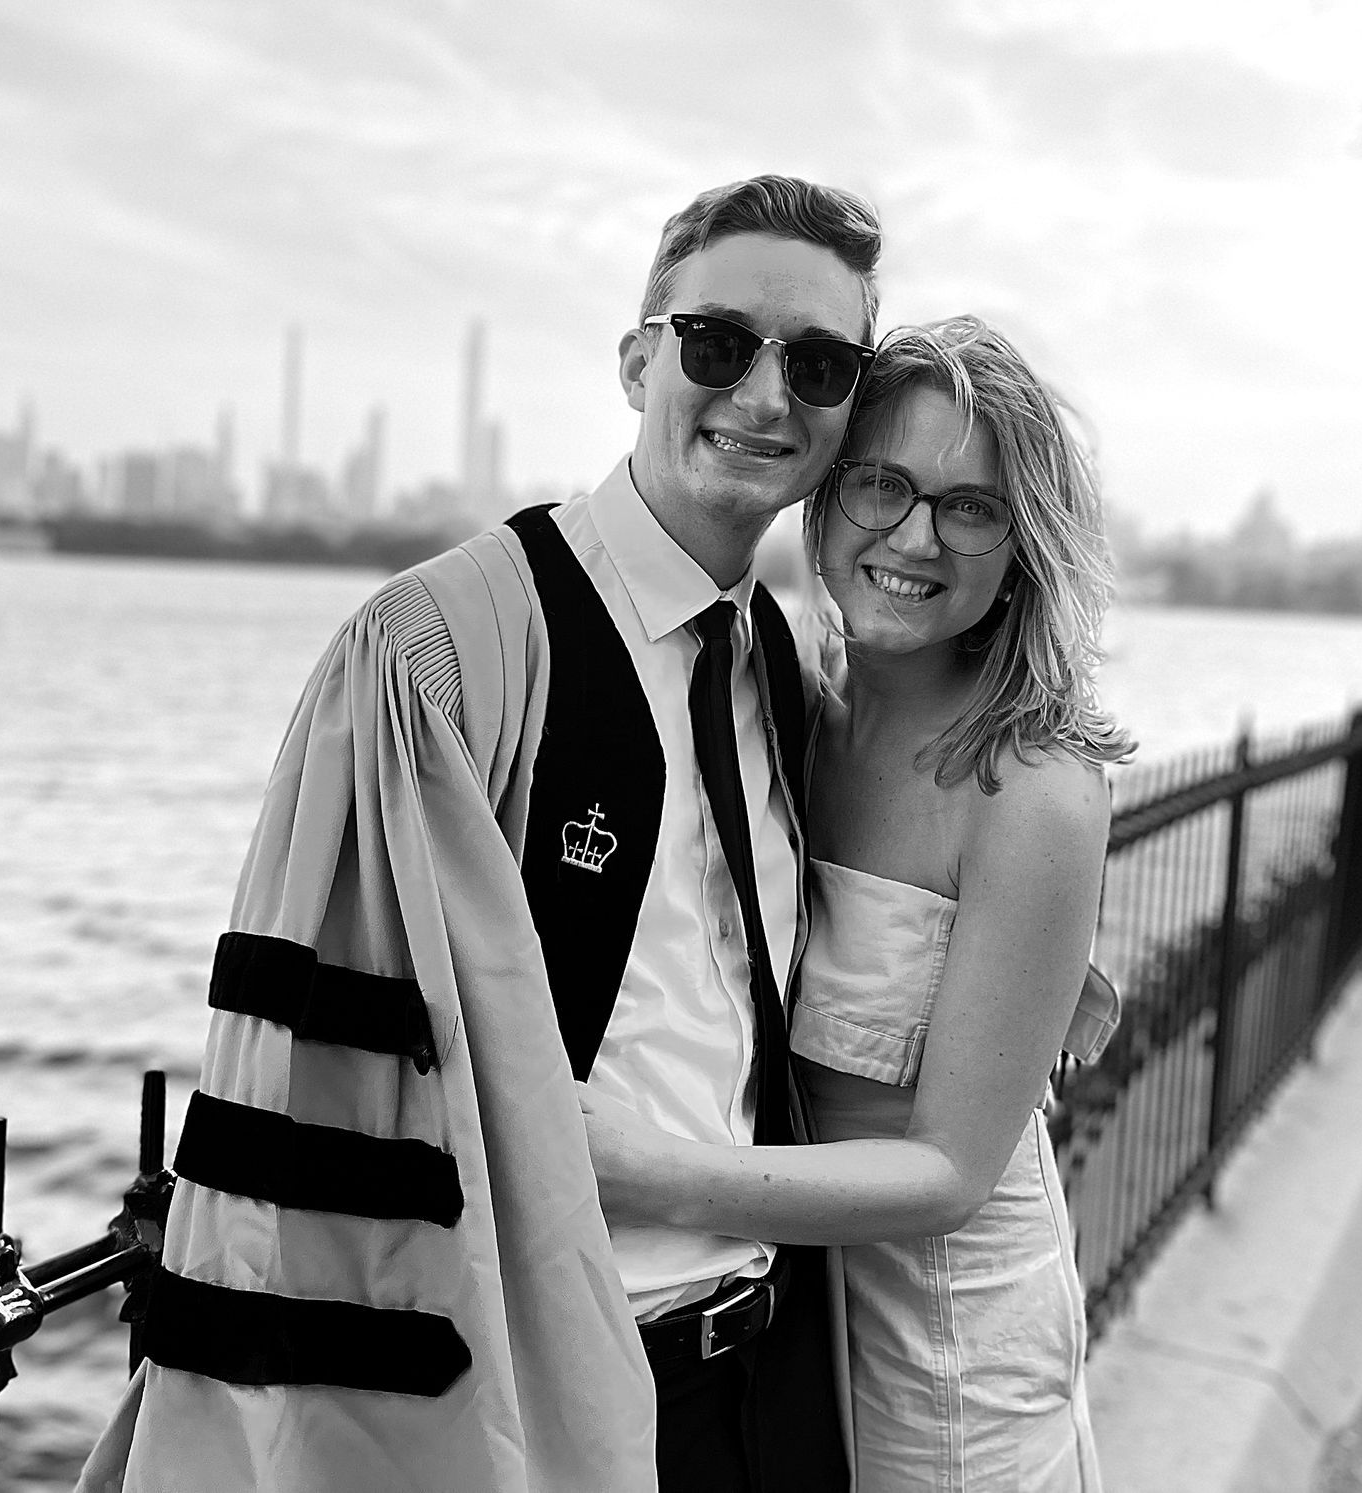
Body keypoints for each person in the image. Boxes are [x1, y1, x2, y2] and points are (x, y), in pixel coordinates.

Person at [74, 175, 879, 1493]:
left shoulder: (777, 662)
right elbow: (313, 1100)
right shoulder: (438, 655)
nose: (766, 395)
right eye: (719, 343)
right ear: (638, 361)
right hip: (535, 1413)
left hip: (763, 1388)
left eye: (821, 364)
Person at [580, 316, 1131, 1492]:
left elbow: (951, 1174)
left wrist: (646, 1168)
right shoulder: (791, 704)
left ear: (1020, 546)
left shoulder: (1033, 788)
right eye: (883, 483)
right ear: (826, 495)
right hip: (790, 1324)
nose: (915, 536)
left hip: (952, 1355)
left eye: (970, 507)